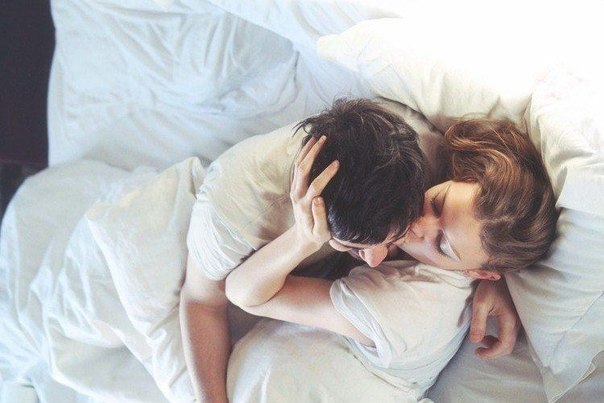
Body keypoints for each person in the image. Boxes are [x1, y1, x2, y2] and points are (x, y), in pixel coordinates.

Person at [180, 99, 523, 402]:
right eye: (357, 249)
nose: (375, 260)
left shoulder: (412, 153)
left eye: (395, 237)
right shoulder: (231, 214)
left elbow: (486, 224)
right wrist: (302, 240)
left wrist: (498, 278)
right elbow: (201, 301)